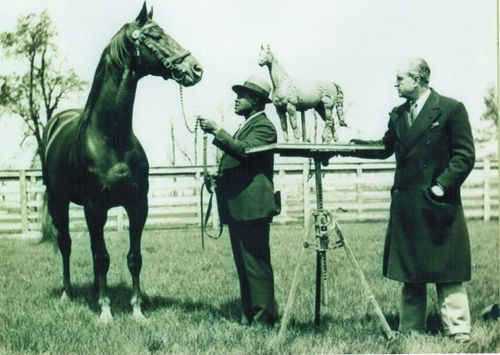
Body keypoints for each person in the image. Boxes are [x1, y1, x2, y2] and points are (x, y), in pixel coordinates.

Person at [349, 58, 475, 343]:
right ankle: (411, 328)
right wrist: (347, 148)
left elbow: (465, 155)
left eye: (400, 79)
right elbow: (384, 148)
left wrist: (442, 186)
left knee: (448, 270)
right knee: (411, 270)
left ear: (417, 79)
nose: (395, 84)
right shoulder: (397, 115)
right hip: (407, 207)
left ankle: (458, 328)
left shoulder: (451, 109)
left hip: (439, 205)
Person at [199, 75, 279, 326]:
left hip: (252, 208)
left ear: (255, 100)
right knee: (244, 265)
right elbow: (239, 158)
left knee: (256, 265)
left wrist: (216, 130)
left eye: (241, 95)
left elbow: (244, 152)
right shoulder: (248, 126)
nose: (236, 99)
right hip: (241, 208)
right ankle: (248, 317)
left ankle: (264, 319)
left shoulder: (264, 127)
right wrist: (218, 175)